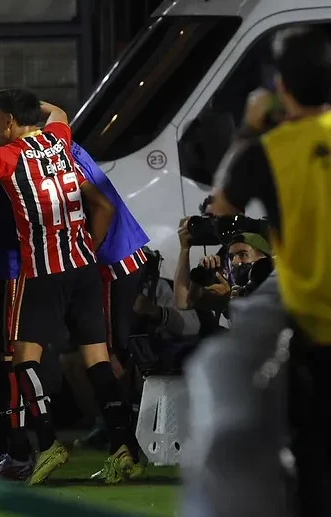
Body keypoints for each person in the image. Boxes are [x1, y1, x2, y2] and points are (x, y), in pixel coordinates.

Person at [0, 86, 134, 485]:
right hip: (83, 267)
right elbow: (60, 112)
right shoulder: (58, 138)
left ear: (9, 121)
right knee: (97, 361)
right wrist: (89, 246)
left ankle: (49, 444)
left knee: (24, 360)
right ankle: (126, 449)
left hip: (43, 272)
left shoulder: (6, 155)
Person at [186, 26, 331, 517]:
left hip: (316, 335)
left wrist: (250, 128)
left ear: (281, 87)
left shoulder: (267, 151)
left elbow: (218, 206)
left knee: (313, 466)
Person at [59, 141, 150, 456]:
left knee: (108, 354)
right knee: (88, 356)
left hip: (112, 263)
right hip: (118, 259)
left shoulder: (55, 153)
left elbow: (104, 207)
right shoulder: (63, 143)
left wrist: (86, 252)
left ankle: (124, 436)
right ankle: (113, 426)